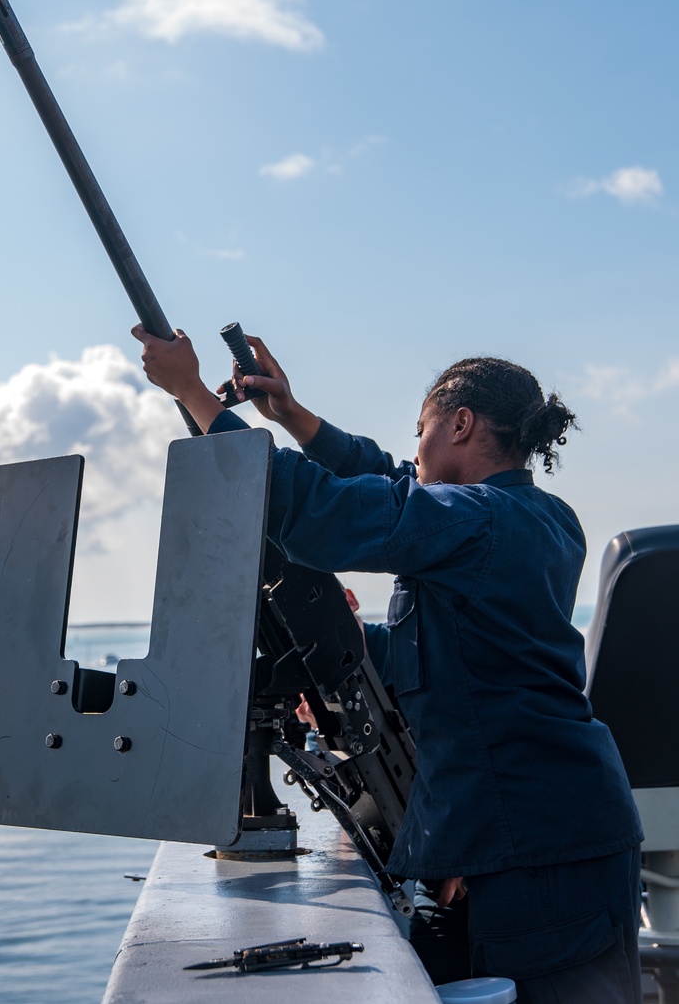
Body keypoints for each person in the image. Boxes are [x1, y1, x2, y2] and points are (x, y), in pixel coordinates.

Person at [131, 324, 645, 1004]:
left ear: (459, 424)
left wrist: (191, 392)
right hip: (553, 837)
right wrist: (291, 416)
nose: (413, 450)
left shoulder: (478, 521)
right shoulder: (534, 517)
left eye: (422, 428)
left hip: (540, 852)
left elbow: (327, 507)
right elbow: (453, 635)